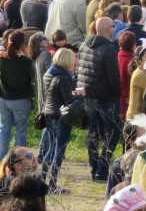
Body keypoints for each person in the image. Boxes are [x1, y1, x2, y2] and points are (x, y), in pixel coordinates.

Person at [78, 15, 122, 182]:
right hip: (106, 97)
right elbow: (114, 76)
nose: (114, 29)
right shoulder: (109, 49)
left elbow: (80, 71)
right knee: (114, 131)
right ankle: (102, 168)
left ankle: (94, 167)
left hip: (89, 96)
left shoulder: (84, 45)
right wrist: (117, 94)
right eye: (112, 26)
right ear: (107, 29)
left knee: (93, 132)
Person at [40, 48, 76, 193]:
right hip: (60, 116)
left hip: (48, 113)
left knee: (50, 149)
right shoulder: (64, 77)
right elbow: (68, 101)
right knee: (59, 150)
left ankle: (42, 182)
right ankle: (53, 184)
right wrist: (79, 95)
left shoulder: (50, 72)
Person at [0, 30, 35, 162]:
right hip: (20, 100)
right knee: (20, 130)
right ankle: (18, 160)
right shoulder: (25, 62)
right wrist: (26, 54)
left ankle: (1, 159)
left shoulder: (2, 59)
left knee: (4, 129)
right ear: (23, 45)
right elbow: (33, 76)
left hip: (3, 99)